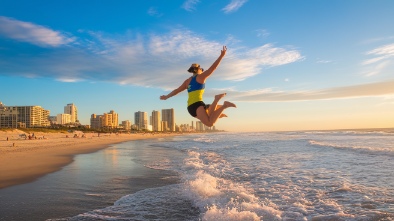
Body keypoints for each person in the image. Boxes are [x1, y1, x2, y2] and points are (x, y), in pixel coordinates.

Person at [160, 46, 236, 127]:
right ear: (198, 70)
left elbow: (176, 91)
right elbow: (213, 68)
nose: (203, 70)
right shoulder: (201, 77)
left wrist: (166, 97)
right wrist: (221, 56)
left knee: (211, 113)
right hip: (197, 105)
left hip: (191, 107)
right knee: (210, 123)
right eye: (202, 69)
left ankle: (219, 104)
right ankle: (222, 104)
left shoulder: (187, 81)